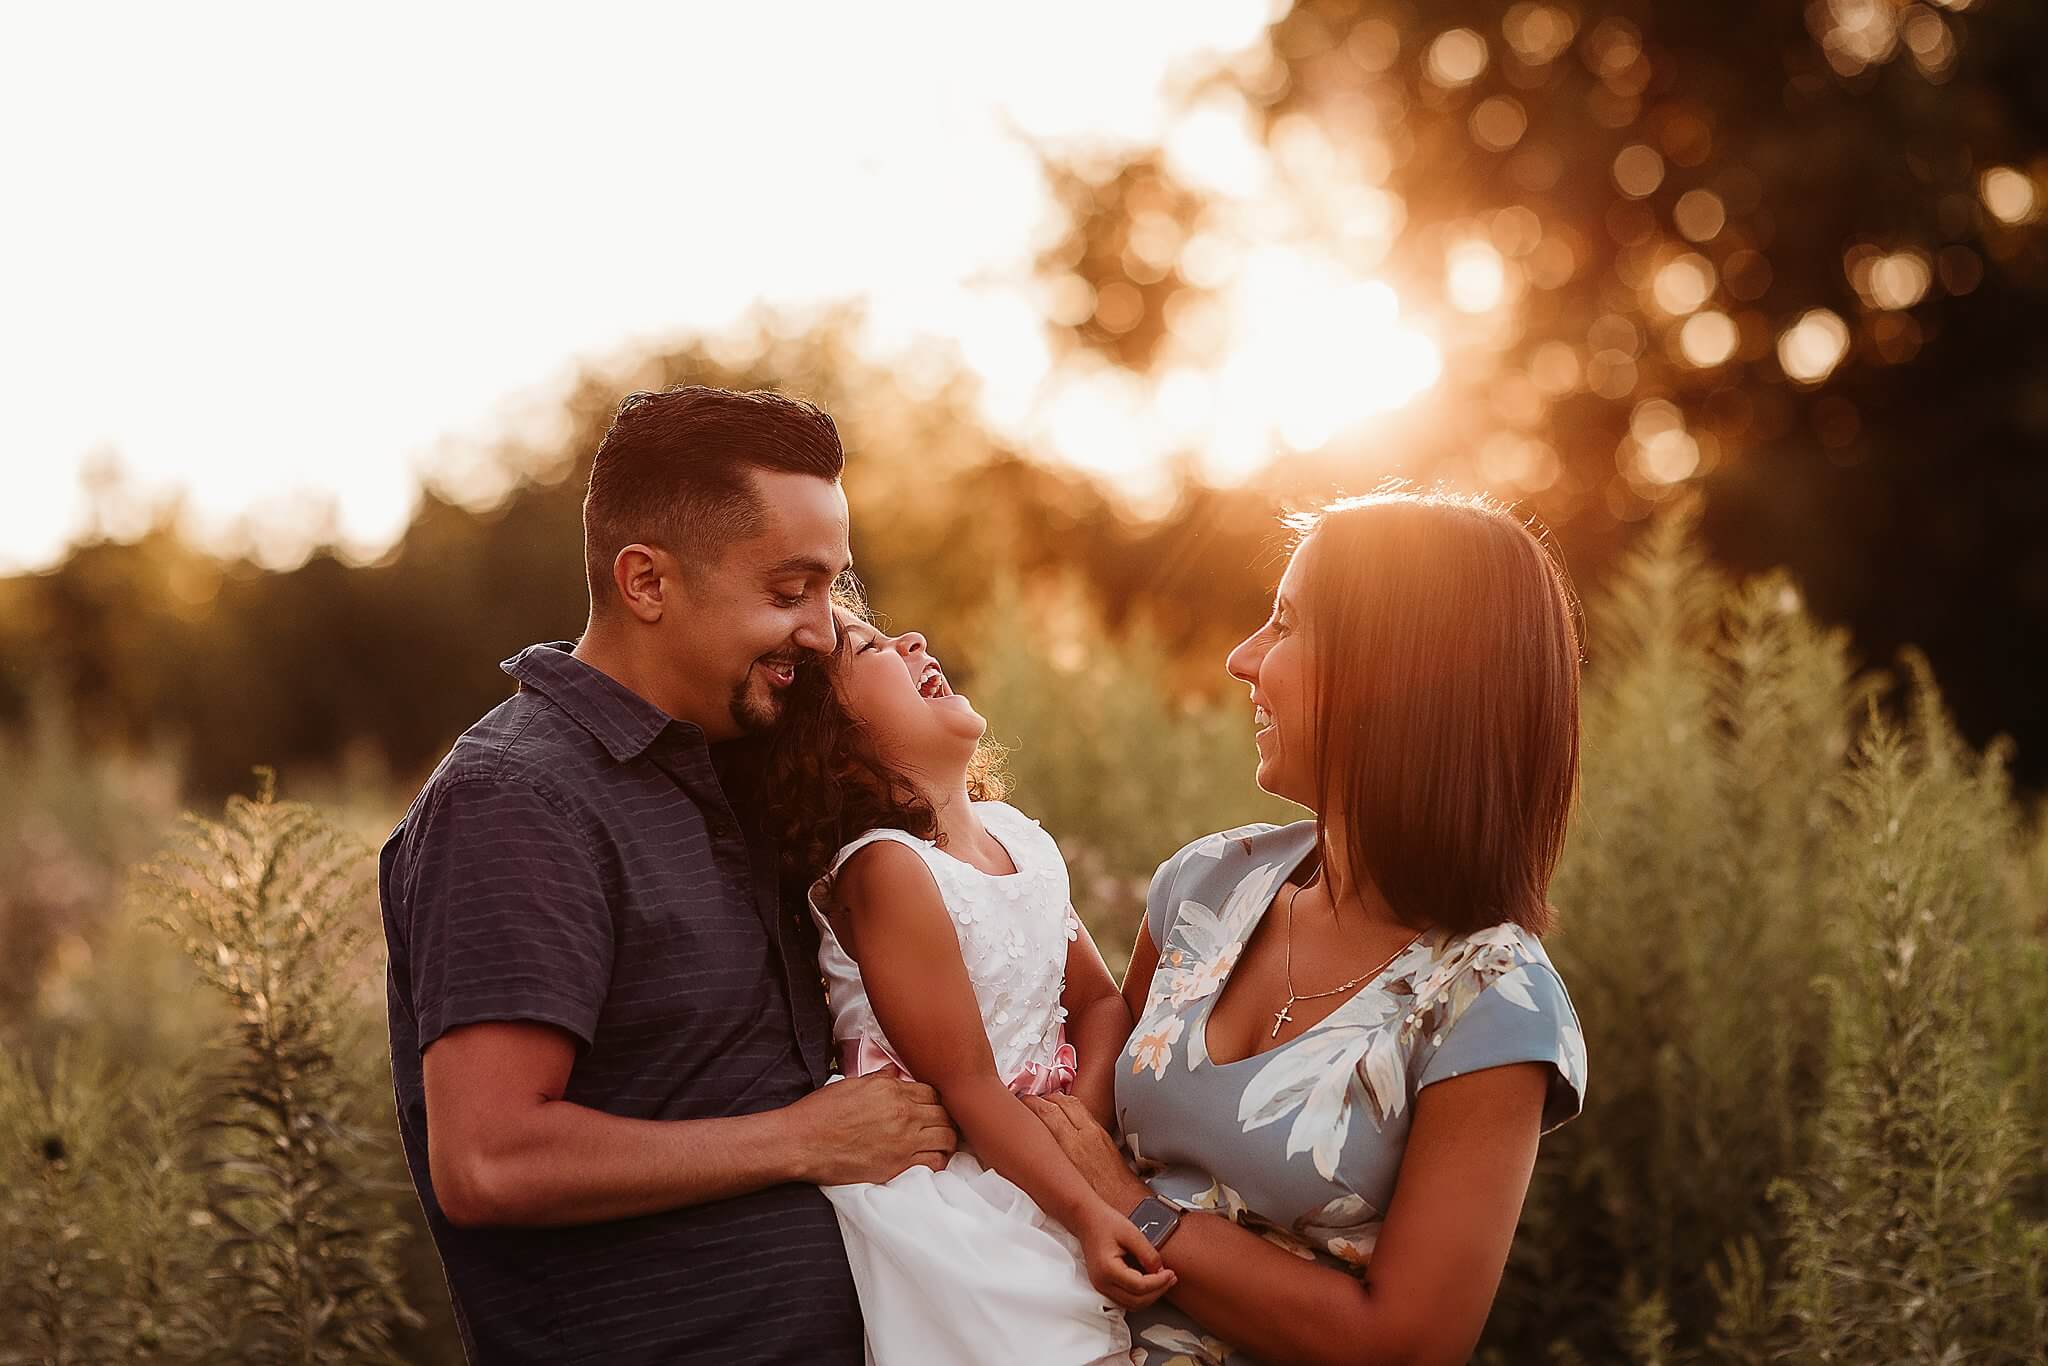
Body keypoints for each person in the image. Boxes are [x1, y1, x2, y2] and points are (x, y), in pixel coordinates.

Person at [377, 386, 955, 1365]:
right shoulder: (517, 795)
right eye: (787, 591)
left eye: (831, 589)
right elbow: (488, 1158)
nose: (820, 630)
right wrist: (801, 1138)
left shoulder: (736, 761)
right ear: (645, 582)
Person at [1027, 488, 1590, 1365]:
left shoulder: (1493, 1003)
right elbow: (1070, 1114)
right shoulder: (1207, 883)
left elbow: (1404, 1346)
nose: (1240, 658)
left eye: (1286, 625)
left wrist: (1139, 1212)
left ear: (1397, 671)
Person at [731, 601, 1171, 1364]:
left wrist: (1082, 1125)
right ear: (837, 747)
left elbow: (1099, 1001)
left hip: (1046, 1159)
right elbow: (965, 1086)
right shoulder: (888, 871)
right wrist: (1085, 1205)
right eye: (870, 648)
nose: (913, 640)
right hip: (956, 1193)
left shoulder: (1021, 839)